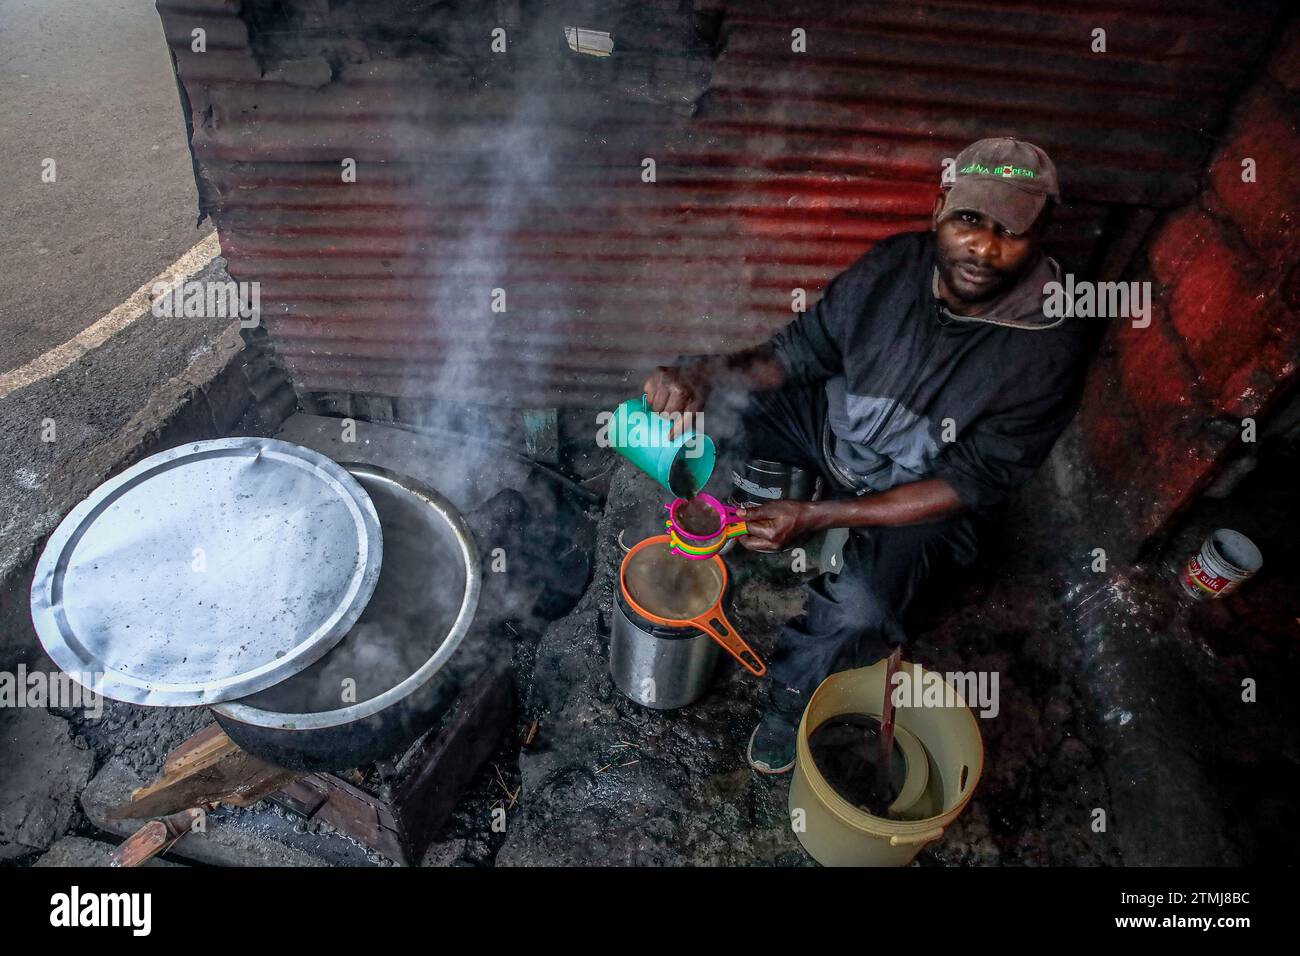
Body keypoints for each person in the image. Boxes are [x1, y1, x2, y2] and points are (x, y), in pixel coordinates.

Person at [641, 137, 1094, 774]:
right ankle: (735, 512)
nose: (983, 248)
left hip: (926, 493)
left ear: (1041, 235)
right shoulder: (892, 267)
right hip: (835, 432)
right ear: (941, 209)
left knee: (862, 608)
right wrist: (706, 374)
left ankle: (788, 702)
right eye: (970, 220)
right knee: (719, 414)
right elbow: (797, 355)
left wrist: (821, 515)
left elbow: (974, 481)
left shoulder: (1053, 342)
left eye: (1010, 232)